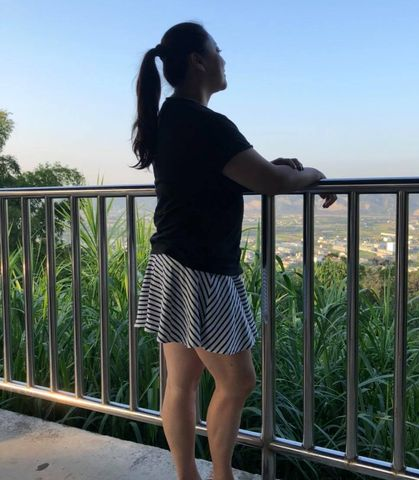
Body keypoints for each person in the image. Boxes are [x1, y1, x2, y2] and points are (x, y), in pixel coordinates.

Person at [130, 21, 337, 480]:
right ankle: (220, 476)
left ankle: (188, 475)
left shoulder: (170, 118)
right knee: (238, 380)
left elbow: (222, 174)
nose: (224, 59)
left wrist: (269, 167)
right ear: (198, 61)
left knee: (182, 382)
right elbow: (273, 182)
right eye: (218, 50)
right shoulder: (207, 124)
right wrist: (314, 174)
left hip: (170, 262)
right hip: (203, 269)